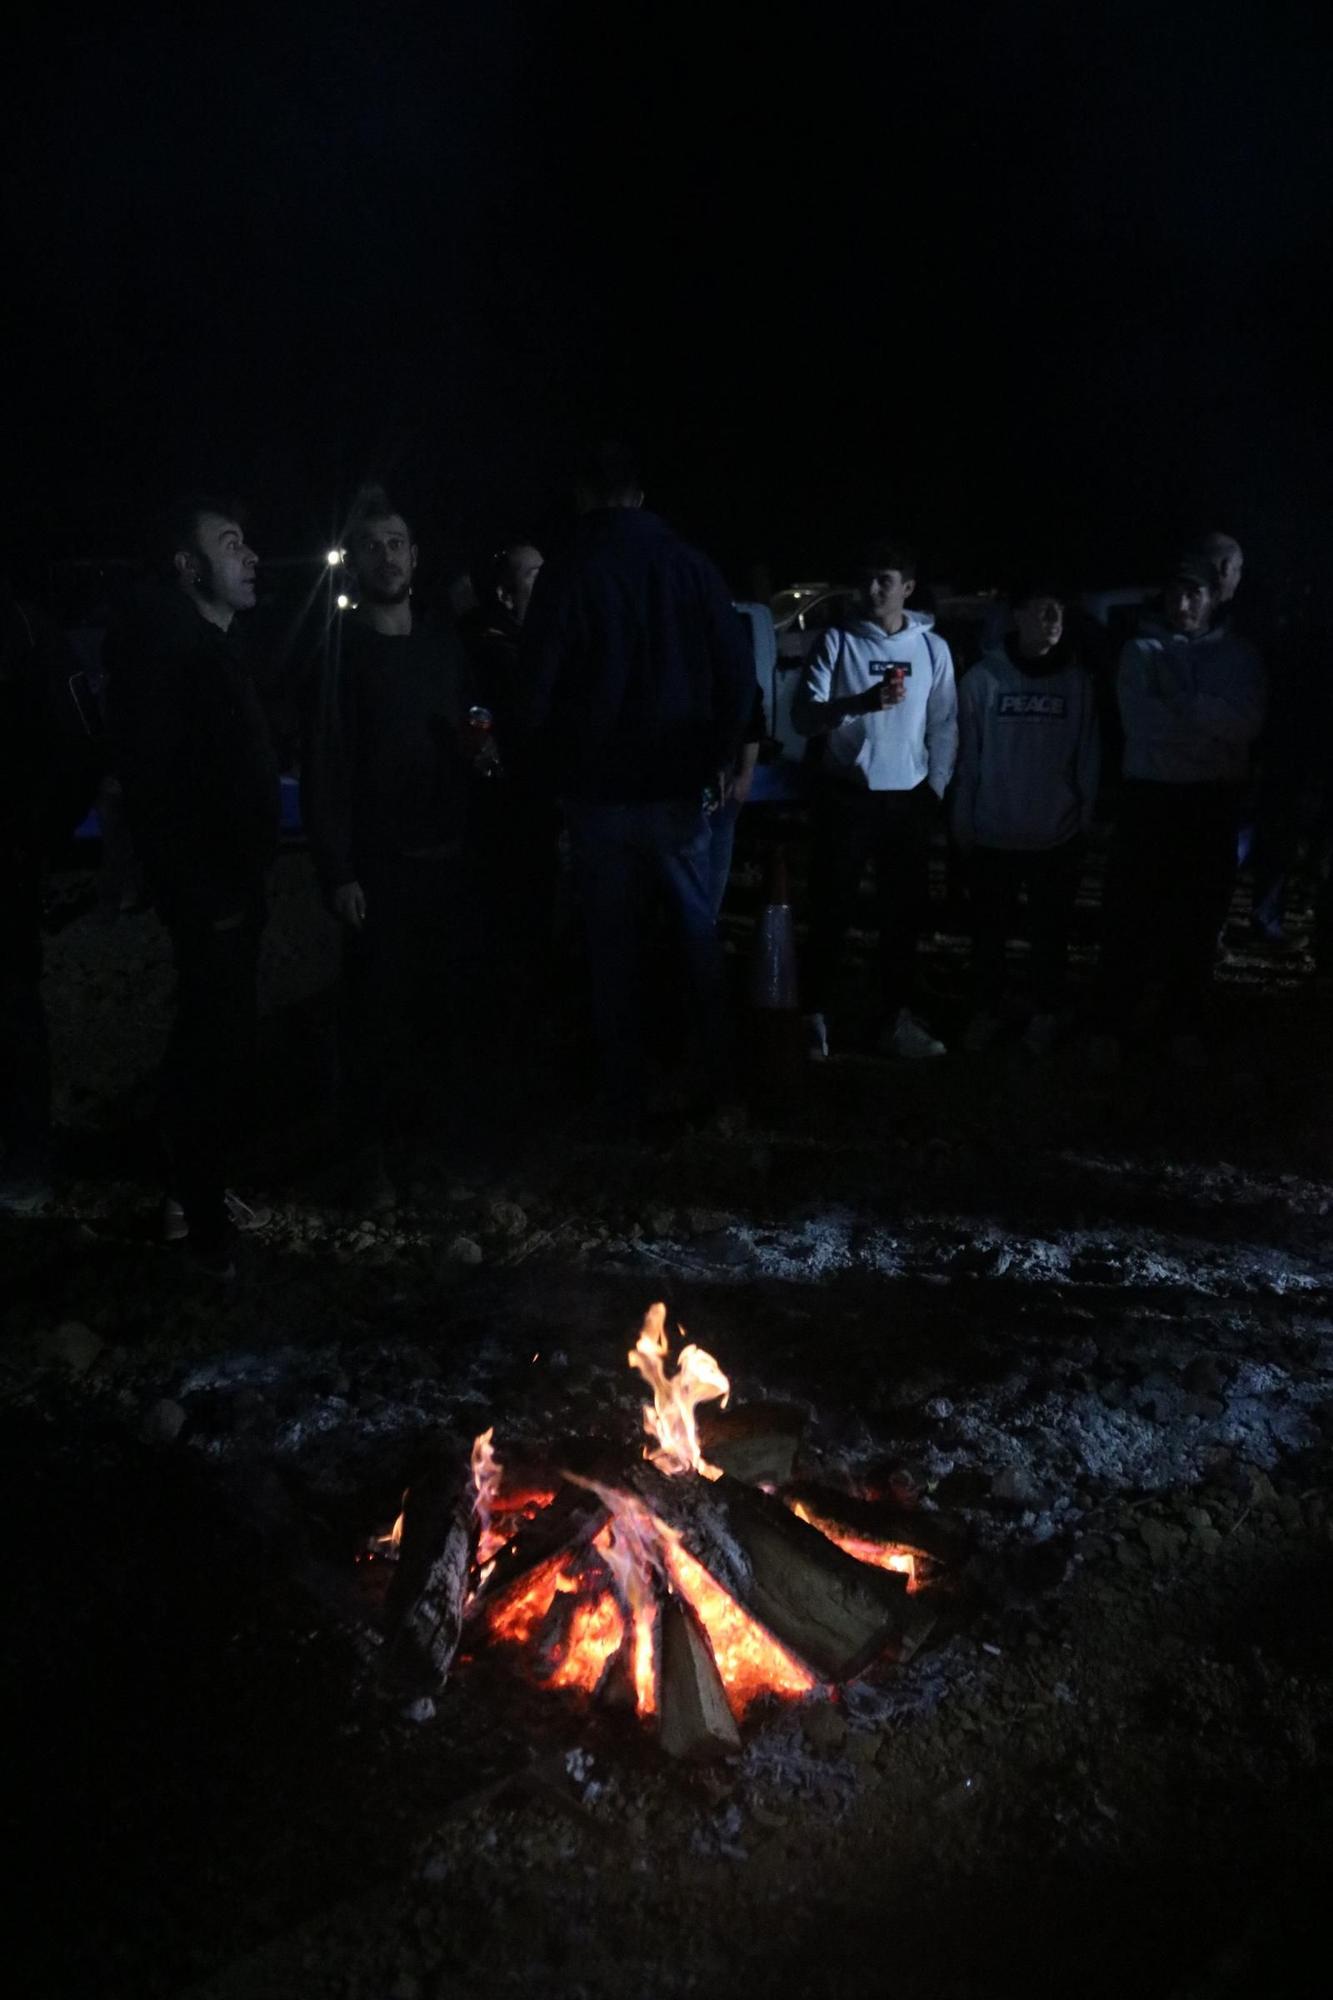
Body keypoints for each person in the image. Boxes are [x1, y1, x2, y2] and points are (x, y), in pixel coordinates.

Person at [518, 442, 756, 1129]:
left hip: (598, 795)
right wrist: (715, 755)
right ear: (640, 496)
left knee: (611, 948)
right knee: (695, 937)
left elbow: (535, 688)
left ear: (583, 495)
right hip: (680, 790)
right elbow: (737, 675)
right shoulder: (690, 566)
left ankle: (623, 1095)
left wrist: (544, 771)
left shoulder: (569, 571)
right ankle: (720, 1089)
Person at [106, 498, 279, 1275]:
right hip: (209, 888)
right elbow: (158, 785)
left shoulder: (211, 644)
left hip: (228, 880)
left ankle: (192, 1194)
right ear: (188, 566)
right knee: (213, 1041)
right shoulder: (170, 650)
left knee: (223, 1034)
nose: (248, 556)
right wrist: (201, 886)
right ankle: (199, 1215)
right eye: (229, 543)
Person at [302, 486, 475, 1206]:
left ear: (416, 555)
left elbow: (470, 733)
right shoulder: (342, 655)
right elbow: (325, 765)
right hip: (380, 866)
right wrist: (337, 869)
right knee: (373, 1019)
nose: (387, 556)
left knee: (438, 1017)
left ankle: (426, 1153)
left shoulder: (442, 646)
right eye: (372, 545)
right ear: (355, 564)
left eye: (397, 542)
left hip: (448, 859)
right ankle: (365, 1158)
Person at [1096, 553, 1265, 1068]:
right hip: (1150, 799)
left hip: (1209, 803)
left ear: (1213, 600)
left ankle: (1183, 1022)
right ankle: (1114, 1023)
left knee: (1198, 919)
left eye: (1194, 594)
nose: (1183, 604)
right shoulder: (1140, 652)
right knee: (1131, 916)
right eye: (1175, 594)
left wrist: (1183, 704)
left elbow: (1246, 726)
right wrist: (1207, 724)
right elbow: (1143, 726)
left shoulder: (1240, 657)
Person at [792, 537, 958, 1059]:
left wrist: (935, 787)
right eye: (866, 578)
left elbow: (945, 722)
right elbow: (803, 716)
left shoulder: (932, 648)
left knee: (901, 917)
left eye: (884, 579)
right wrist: (860, 703)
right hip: (847, 797)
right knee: (831, 909)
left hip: (907, 800)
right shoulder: (838, 642)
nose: (872, 588)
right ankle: (814, 1016)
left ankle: (894, 1019)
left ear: (907, 588)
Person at [952, 584, 1100, 1056]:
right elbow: (967, 758)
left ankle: (1044, 1013)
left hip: (1055, 836)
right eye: (1041, 609)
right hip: (995, 832)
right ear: (1016, 617)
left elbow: (1088, 756)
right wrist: (963, 820)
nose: (1053, 618)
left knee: (1049, 939)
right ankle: (988, 1010)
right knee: (989, 936)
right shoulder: (982, 679)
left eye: (1059, 609)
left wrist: (1086, 819)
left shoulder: (1077, 683)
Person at [0, 581, 102, 1213]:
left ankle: (25, 1162)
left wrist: (30, 838)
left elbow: (80, 745)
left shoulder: (24, 627)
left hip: (4, 864)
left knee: (9, 1008)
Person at [708, 604, 772, 922]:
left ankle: (704, 931)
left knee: (714, 862)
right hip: (685, 782)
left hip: (721, 782)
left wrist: (745, 774)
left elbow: (752, 720)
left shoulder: (734, 671)